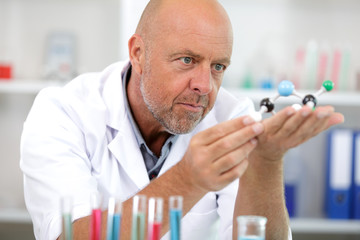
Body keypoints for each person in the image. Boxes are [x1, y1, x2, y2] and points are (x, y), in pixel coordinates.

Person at [20, 0, 344, 239]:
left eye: (218, 67)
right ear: (138, 53)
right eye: (187, 60)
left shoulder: (233, 118)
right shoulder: (62, 113)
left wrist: (268, 162)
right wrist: (189, 178)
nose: (204, 85)